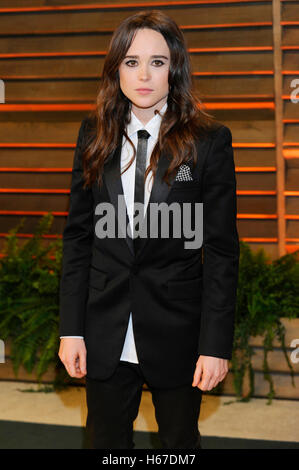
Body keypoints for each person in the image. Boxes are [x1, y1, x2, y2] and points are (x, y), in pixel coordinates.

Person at [58, 10, 240, 450]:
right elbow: (78, 238)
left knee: (178, 449)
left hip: (177, 331)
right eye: (131, 61)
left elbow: (220, 250)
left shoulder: (209, 140)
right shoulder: (93, 134)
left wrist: (215, 346)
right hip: (104, 329)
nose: (143, 75)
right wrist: (71, 330)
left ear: (174, 68)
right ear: (115, 68)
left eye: (157, 62)